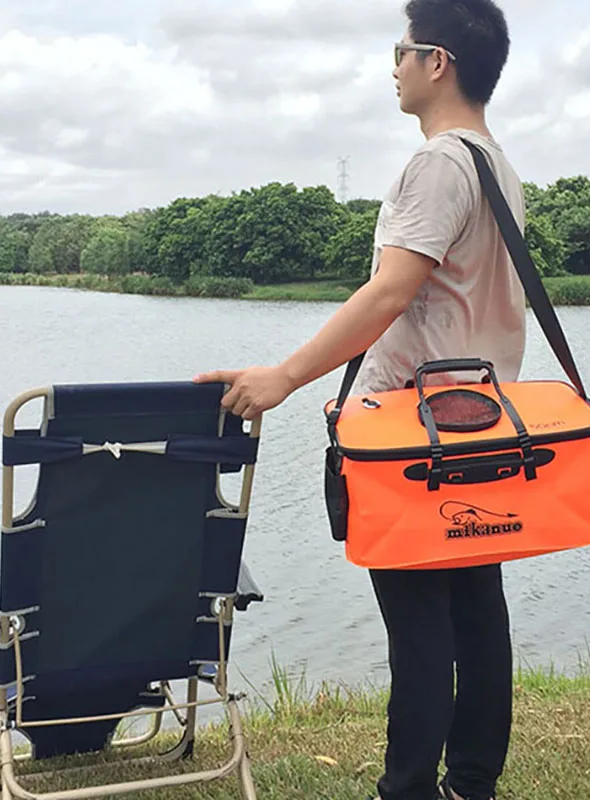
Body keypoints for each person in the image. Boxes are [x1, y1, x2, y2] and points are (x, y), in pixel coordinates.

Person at [195, 1, 523, 798]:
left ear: (437, 61)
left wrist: (283, 376)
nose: (393, 66)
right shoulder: (496, 164)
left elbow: (388, 294)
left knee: (419, 626)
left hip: (412, 436)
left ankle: (406, 787)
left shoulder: (438, 164)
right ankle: (470, 780)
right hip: (480, 424)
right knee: (478, 611)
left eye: (402, 51)